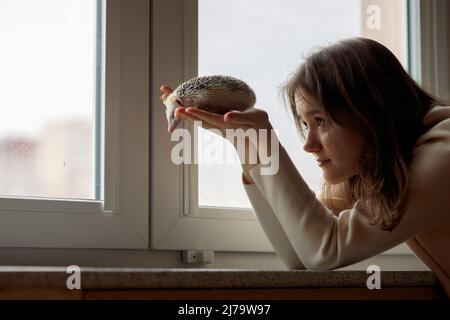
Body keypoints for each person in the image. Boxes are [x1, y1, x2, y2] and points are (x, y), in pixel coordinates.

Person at [160, 37, 450, 297]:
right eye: (304, 123)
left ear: (370, 113)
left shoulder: (443, 154)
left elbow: (323, 252)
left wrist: (269, 144)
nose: (308, 144)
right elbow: (300, 257)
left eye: (320, 121)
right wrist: (247, 143)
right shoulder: (374, 168)